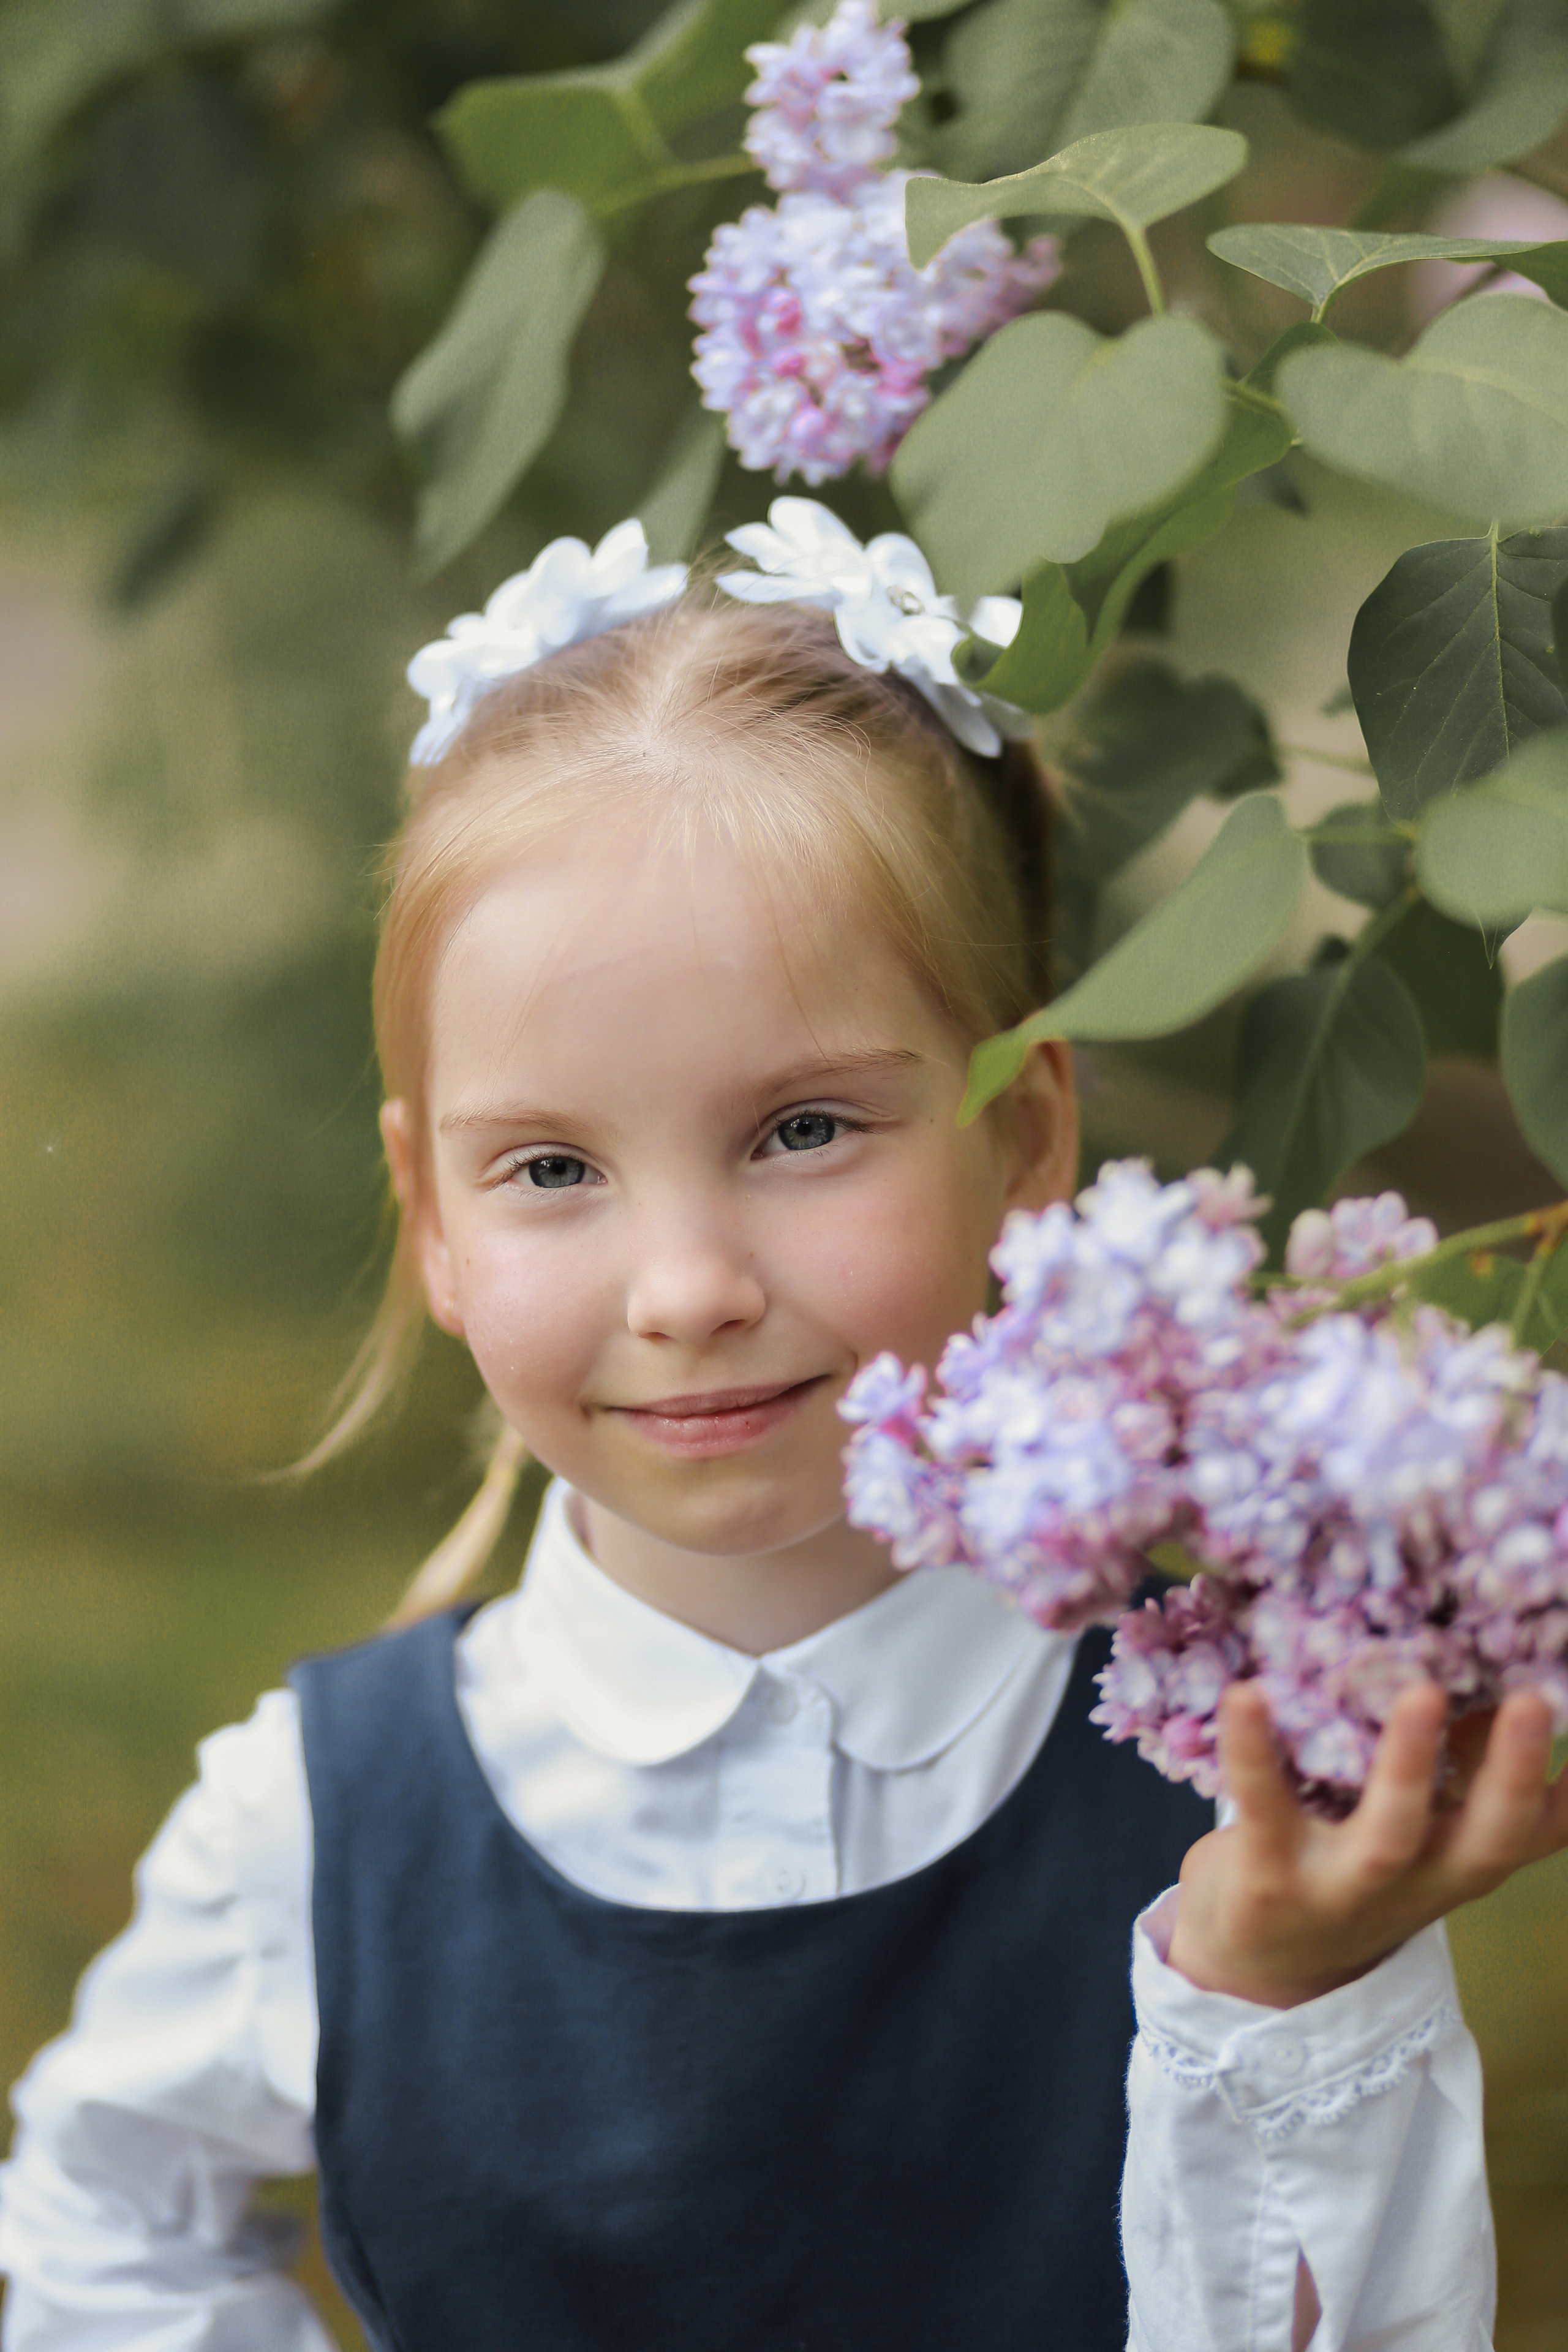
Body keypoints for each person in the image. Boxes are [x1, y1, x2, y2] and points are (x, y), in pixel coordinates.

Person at [2, 503, 1561, 2352]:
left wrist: (1278, 1992)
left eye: (804, 1130)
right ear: (432, 1218)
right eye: (551, 1167)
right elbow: (100, 2220)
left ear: (1025, 1137)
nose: (687, 1289)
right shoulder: (319, 1830)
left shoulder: (1244, 1767)